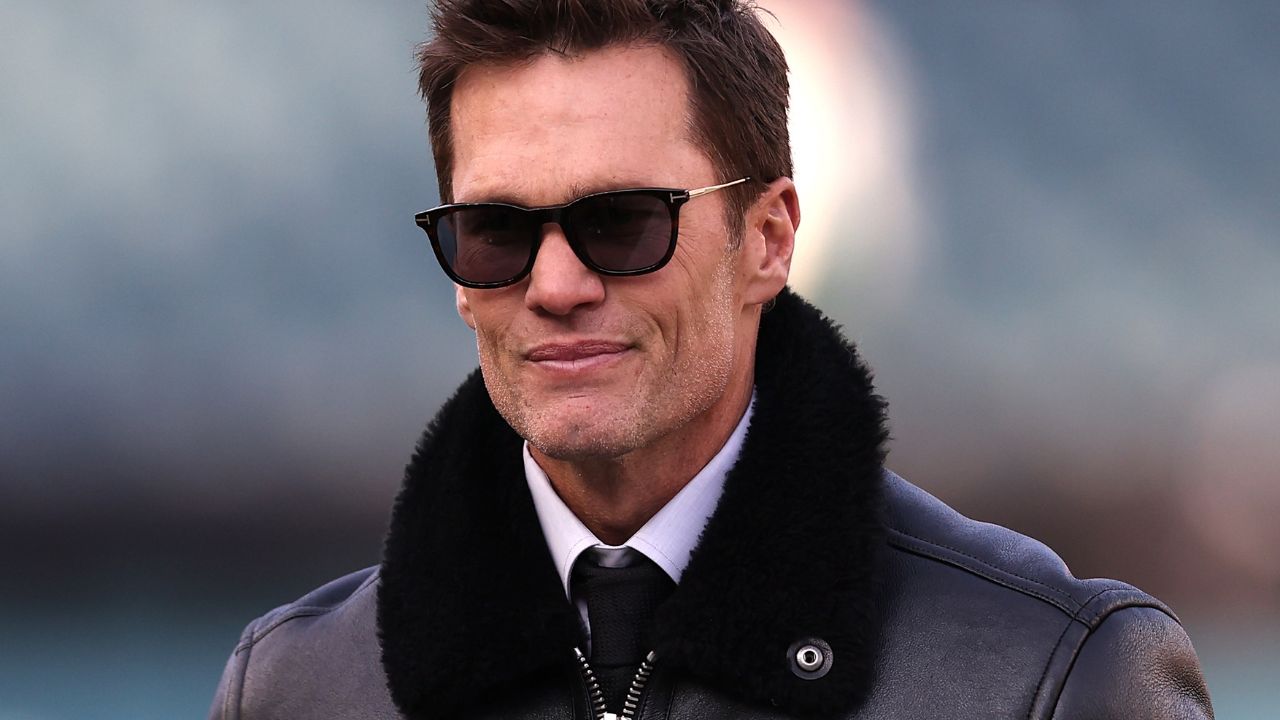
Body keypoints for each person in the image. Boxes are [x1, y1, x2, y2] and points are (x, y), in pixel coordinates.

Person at [209, 1, 1215, 718]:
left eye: (622, 221)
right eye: (495, 231)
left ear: (768, 241)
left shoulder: (1049, 677)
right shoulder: (297, 689)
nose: (554, 285)